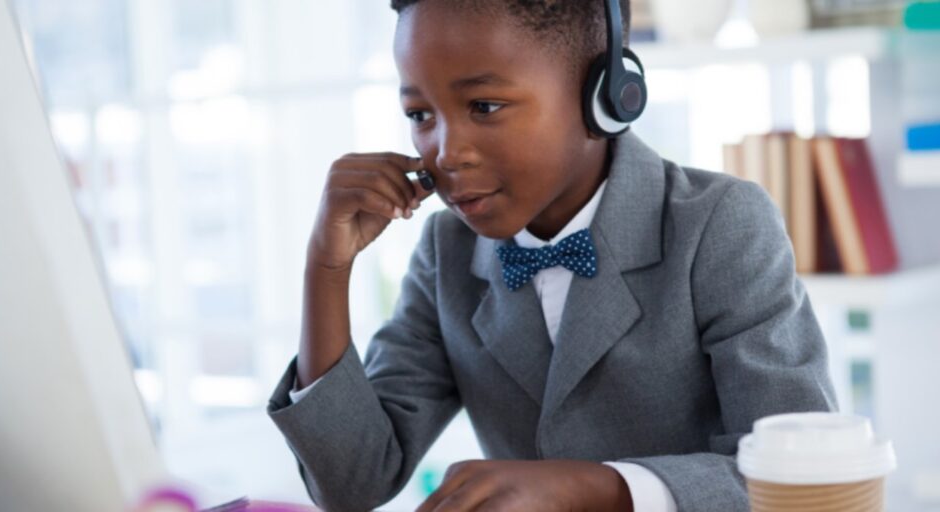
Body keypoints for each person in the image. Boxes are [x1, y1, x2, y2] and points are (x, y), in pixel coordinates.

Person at [266, 1, 836, 510]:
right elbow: (354, 482)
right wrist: (326, 267)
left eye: (484, 105)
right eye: (420, 115)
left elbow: (804, 477)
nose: (447, 153)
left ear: (606, 97)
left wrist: (596, 487)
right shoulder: (447, 252)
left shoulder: (719, 225)